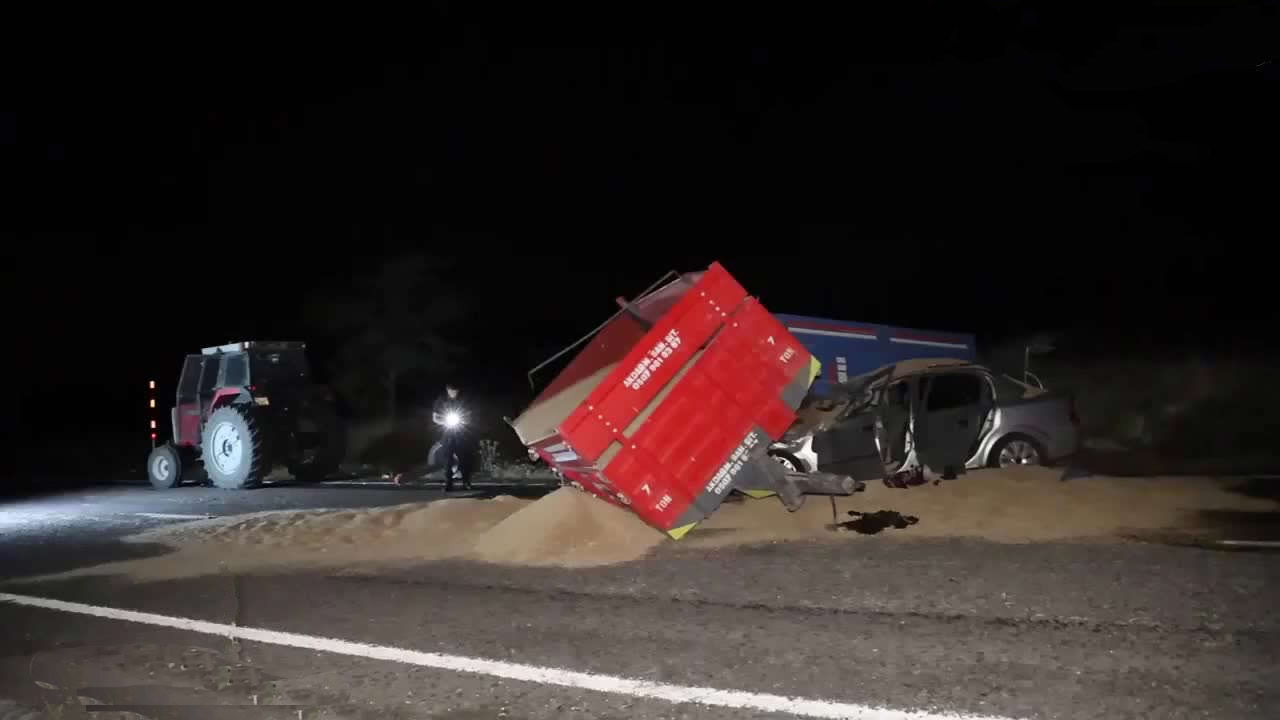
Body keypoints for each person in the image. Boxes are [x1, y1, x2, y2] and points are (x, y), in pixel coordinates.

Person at [431, 383, 471, 490]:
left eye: (456, 390)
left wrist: (465, 420)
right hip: (447, 432)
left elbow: (469, 415)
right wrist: (443, 421)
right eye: (452, 390)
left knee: (463, 457)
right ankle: (448, 483)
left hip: (461, 432)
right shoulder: (441, 400)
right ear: (448, 390)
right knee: (447, 458)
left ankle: (466, 482)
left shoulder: (463, 400)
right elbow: (435, 417)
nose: (454, 392)